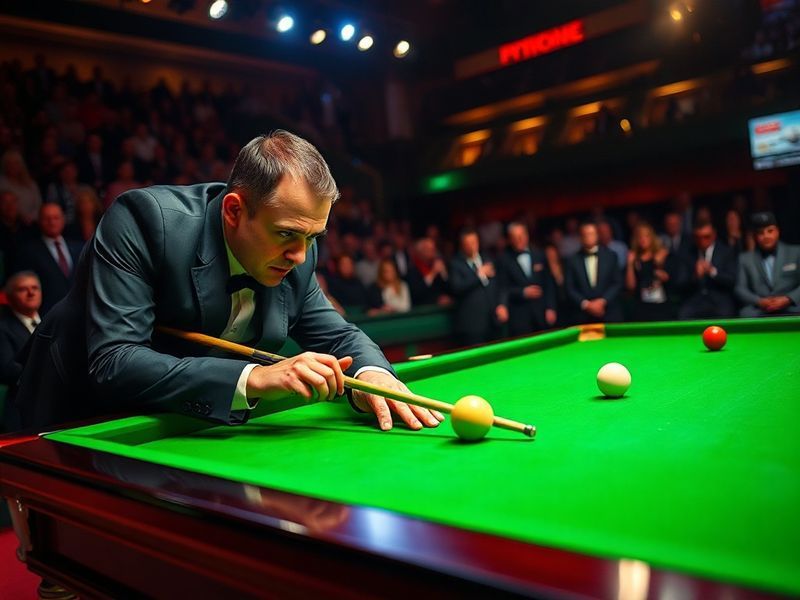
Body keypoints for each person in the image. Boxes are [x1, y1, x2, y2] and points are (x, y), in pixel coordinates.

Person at [14, 131, 443, 434]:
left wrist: (376, 376)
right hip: (73, 412)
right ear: (234, 211)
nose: (300, 254)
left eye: (313, 237)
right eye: (287, 234)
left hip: (184, 422)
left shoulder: (298, 252)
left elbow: (338, 334)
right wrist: (253, 378)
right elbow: (114, 362)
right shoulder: (144, 221)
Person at [14, 203, 83, 314]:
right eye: (47, 218)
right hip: (47, 316)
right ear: (39, 221)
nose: (52, 222)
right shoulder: (28, 251)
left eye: (56, 218)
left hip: (79, 314)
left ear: (63, 220)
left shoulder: (79, 248)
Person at [449, 228, 507, 345]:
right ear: (462, 246)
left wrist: (502, 304)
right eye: (468, 243)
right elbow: (456, 288)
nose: (472, 246)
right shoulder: (455, 264)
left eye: (474, 242)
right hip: (472, 325)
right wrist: (479, 275)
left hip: (493, 320)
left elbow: (500, 286)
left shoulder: (488, 259)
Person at [735, 212, 800, 316]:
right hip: (760, 310)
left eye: (770, 231)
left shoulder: (796, 252)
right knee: (745, 313)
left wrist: (788, 299)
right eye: (761, 233)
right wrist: (759, 301)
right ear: (755, 236)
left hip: (791, 308)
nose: (766, 236)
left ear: (777, 231)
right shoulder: (745, 259)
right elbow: (740, 289)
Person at [497, 222, 556, 336]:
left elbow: (549, 283)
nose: (519, 239)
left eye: (521, 235)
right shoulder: (504, 260)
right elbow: (503, 288)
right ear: (510, 239)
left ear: (527, 235)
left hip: (541, 312)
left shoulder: (539, 254)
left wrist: (551, 307)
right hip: (519, 315)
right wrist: (522, 292)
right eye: (515, 237)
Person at [0, 272, 42, 431]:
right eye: (22, 289)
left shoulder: (49, 322)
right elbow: (7, 370)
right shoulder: (3, 328)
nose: (31, 293)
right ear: (9, 297)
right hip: (20, 410)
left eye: (35, 288)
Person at [677, 219, 737, 319]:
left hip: (719, 299)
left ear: (714, 235)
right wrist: (695, 276)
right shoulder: (687, 254)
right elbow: (680, 283)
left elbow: (732, 280)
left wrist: (712, 272)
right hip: (695, 299)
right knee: (683, 315)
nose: (702, 241)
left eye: (706, 237)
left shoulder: (726, 252)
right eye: (698, 237)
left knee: (726, 314)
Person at [564, 221, 623, 323]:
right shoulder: (572, 260)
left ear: (597, 235)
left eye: (591, 234)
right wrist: (586, 305)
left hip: (608, 313)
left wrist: (602, 301)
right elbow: (569, 287)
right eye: (585, 234)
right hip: (582, 316)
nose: (588, 237)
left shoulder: (611, 256)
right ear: (580, 237)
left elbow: (617, 283)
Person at [625, 223, 673, 321]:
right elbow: (630, 287)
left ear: (652, 237)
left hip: (662, 305)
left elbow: (670, 278)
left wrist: (659, 265)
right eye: (640, 236)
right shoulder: (634, 259)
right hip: (642, 307)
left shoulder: (662, 254)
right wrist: (629, 264)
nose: (643, 239)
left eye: (646, 236)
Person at [0, 150, 42, 225]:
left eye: (15, 163)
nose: (12, 166)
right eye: (9, 163)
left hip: (33, 221)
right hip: (10, 222)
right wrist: (21, 216)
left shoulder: (31, 183)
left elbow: (38, 204)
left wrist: (32, 217)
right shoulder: (2, 183)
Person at [406, 237, 451, 306]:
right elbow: (417, 292)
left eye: (433, 249)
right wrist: (433, 273)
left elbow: (448, 288)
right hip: (423, 310)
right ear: (420, 252)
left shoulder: (438, 265)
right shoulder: (413, 270)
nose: (433, 252)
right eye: (429, 250)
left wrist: (443, 273)